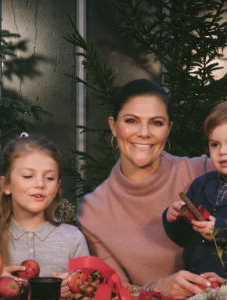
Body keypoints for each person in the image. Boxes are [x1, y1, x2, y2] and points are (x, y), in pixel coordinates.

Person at [77, 79, 225, 299]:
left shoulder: (207, 170)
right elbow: (112, 294)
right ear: (113, 126)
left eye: (156, 122)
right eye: (131, 120)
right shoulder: (93, 211)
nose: (144, 132)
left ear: (168, 128)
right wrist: (157, 288)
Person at [0, 133, 89, 298]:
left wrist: (75, 285)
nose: (40, 184)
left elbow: (91, 287)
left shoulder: (73, 238)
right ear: (6, 185)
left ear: (56, 188)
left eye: (49, 178)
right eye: (28, 176)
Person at [163, 101, 227, 278]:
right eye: (215, 144)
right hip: (196, 282)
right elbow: (184, 238)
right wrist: (174, 219)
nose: (222, 151)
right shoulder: (201, 184)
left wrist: (219, 231)